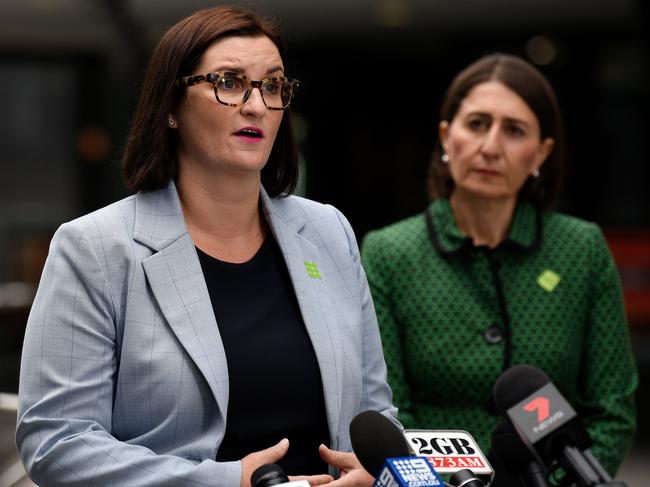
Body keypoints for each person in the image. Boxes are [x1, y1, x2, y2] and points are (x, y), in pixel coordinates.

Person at [16, 6, 393, 487]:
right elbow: (56, 442)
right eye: (230, 82)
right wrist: (229, 481)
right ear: (171, 106)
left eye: (273, 85)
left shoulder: (328, 232)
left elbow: (375, 412)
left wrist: (373, 471)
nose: (256, 105)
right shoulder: (95, 248)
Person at [361, 53, 637, 478]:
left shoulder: (582, 249)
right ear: (446, 137)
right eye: (476, 124)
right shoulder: (389, 253)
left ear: (541, 152)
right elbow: (388, 410)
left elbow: (612, 409)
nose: (490, 147)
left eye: (514, 130)